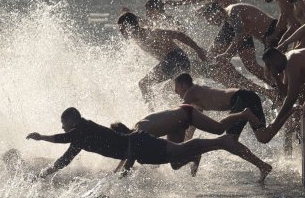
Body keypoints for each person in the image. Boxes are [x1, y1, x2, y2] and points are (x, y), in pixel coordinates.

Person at [28, 107, 258, 180]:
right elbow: (64, 159)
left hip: (140, 144)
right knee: (176, 157)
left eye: (64, 123)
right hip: (140, 151)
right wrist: (45, 174)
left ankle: (221, 141)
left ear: (75, 121)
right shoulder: (80, 138)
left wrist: (42, 137)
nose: (63, 127)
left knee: (181, 150)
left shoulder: (84, 128)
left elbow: (62, 139)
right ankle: (199, 151)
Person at [111, 105, 271, 181]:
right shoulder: (135, 131)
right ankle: (195, 155)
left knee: (218, 129)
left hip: (186, 113)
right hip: (176, 123)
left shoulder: (139, 132)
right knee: (175, 163)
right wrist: (114, 172)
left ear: (122, 135)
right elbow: (127, 156)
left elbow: (128, 160)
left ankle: (243, 113)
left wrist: (116, 181)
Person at [117, 12, 208, 105]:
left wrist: (198, 50)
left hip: (175, 59)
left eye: (121, 29)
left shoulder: (150, 32)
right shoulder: (137, 37)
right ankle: (195, 108)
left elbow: (178, 35)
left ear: (127, 27)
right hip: (176, 60)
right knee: (168, 93)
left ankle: (152, 114)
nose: (121, 32)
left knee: (144, 84)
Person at [199, 3, 274, 96]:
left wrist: (227, 54)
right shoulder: (228, 16)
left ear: (216, 12)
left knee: (251, 66)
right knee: (251, 65)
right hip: (262, 34)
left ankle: (277, 88)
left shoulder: (231, 13)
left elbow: (241, 34)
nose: (209, 22)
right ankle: (273, 90)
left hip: (272, 32)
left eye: (209, 18)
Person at [174, 72, 268, 141]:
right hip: (249, 96)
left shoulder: (191, 91)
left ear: (182, 85)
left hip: (241, 98)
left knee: (230, 139)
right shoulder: (197, 94)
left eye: (176, 88)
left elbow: (180, 112)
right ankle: (282, 116)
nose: (175, 92)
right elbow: (193, 124)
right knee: (263, 137)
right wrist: (185, 142)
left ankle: (245, 114)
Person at [257, 47, 305, 143]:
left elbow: (292, 97)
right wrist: (276, 78)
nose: (270, 68)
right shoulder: (286, 64)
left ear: (276, 59)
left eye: (270, 65)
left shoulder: (291, 61)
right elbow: (285, 92)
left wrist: (276, 121)